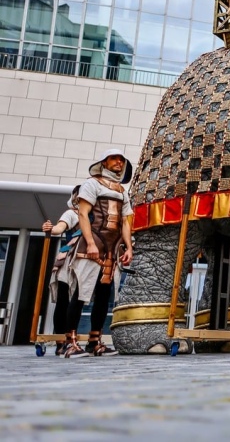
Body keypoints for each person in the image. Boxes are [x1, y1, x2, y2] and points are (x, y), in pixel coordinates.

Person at [62, 149, 134, 358]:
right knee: (80, 293)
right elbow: (83, 214)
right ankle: (69, 342)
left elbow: (125, 222)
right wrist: (91, 243)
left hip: (111, 249)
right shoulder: (91, 184)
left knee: (104, 295)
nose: (119, 162)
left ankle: (95, 341)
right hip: (91, 244)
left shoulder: (122, 191)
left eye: (121, 160)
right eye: (114, 159)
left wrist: (128, 247)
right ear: (104, 162)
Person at [41, 185, 82, 356]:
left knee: (78, 300)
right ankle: (61, 342)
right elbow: (60, 227)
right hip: (69, 260)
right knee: (64, 300)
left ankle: (71, 339)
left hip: (86, 262)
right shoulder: (72, 213)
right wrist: (52, 229)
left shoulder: (95, 216)